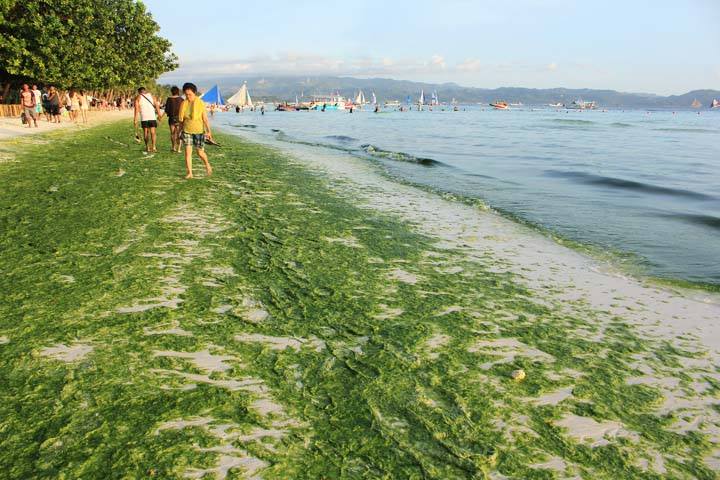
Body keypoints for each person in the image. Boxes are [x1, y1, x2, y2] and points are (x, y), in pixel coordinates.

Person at [179, 82, 213, 179]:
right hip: (187, 131)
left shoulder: (200, 103)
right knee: (187, 153)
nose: (188, 96)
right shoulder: (183, 104)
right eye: (186, 94)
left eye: (190, 94)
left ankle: (207, 164)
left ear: (194, 93)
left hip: (199, 131)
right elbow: (181, 120)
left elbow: (205, 119)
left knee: (200, 152)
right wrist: (179, 131)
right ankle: (190, 173)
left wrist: (209, 131)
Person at [133, 86, 162, 153]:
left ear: (139, 92)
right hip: (152, 117)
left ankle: (147, 147)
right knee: (153, 132)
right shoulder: (151, 96)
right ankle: (154, 147)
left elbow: (136, 109)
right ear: (145, 91)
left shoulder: (138, 97)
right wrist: (159, 114)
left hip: (144, 117)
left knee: (146, 132)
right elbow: (157, 105)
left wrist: (135, 119)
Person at [164, 85, 183, 153]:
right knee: (179, 133)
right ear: (178, 91)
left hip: (171, 118)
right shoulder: (181, 99)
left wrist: (160, 116)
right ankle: (179, 148)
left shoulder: (169, 99)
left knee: (172, 133)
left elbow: (166, 110)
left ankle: (173, 147)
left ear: (172, 92)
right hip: (179, 118)